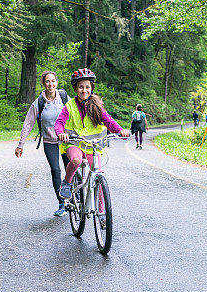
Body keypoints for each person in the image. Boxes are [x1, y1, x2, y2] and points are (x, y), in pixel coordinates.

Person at [54, 68, 130, 215]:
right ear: (75, 89)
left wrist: (120, 131)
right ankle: (67, 183)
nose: (84, 90)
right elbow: (59, 122)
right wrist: (61, 133)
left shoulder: (97, 105)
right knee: (76, 160)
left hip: (91, 147)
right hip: (74, 143)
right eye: (81, 87)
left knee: (98, 175)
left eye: (87, 87)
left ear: (92, 88)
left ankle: (101, 213)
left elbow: (109, 121)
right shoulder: (69, 106)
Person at [15, 71, 70, 217]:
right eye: (47, 81)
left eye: (53, 81)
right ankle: (61, 203)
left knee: (70, 168)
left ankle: (76, 197)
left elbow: (76, 113)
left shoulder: (64, 98)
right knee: (56, 171)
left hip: (66, 140)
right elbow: (28, 123)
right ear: (43, 83)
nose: (50, 84)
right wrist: (21, 144)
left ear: (57, 82)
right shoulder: (39, 102)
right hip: (49, 141)